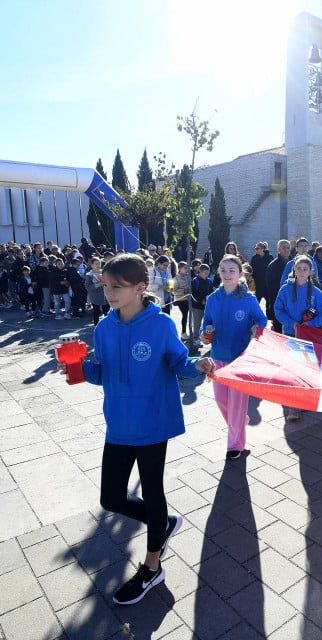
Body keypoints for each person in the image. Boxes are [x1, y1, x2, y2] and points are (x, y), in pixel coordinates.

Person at [57, 253, 213, 606]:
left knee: (153, 491)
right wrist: (77, 368)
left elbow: (179, 363)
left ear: (140, 288)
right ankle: (161, 522)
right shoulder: (103, 328)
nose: (109, 292)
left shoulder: (160, 326)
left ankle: (152, 567)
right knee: (110, 497)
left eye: (117, 286)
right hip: (119, 423)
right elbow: (101, 371)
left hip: (153, 422)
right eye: (106, 285)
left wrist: (199, 366)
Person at [200, 254, 267, 459]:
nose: (227, 274)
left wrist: (257, 328)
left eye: (232, 271)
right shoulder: (213, 299)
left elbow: (262, 320)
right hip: (218, 357)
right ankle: (239, 421)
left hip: (241, 359)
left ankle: (235, 445)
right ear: (218, 272)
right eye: (223, 270)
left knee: (237, 405)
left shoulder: (248, 298)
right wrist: (204, 335)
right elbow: (206, 325)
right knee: (222, 401)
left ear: (240, 274)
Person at [275, 255, 322, 421]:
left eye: (305, 269)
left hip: (309, 337)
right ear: (294, 270)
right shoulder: (285, 289)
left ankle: (305, 400)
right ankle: (293, 407)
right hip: (291, 334)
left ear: (311, 271)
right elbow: (278, 310)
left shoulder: (317, 293)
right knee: (292, 370)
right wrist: (292, 323)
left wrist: (310, 325)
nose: (302, 271)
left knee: (307, 369)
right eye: (299, 268)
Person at [265, 239, 291, 333]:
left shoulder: (294, 263)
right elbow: (271, 288)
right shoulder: (273, 266)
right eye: (284, 248)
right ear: (278, 249)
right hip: (279, 304)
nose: (286, 250)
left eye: (288, 247)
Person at [191, 264, 215, 346]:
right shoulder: (195, 281)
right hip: (197, 307)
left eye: (208, 274)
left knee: (207, 323)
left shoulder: (209, 281)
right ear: (200, 272)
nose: (206, 275)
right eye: (205, 273)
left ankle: (205, 337)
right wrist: (201, 301)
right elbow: (192, 294)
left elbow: (211, 292)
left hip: (207, 307)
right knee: (197, 323)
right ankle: (195, 339)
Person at [85, 257, 110, 326]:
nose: (98, 265)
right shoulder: (89, 275)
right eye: (96, 264)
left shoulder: (104, 272)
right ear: (92, 265)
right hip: (95, 294)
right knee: (96, 310)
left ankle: (108, 324)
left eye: (99, 263)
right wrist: (98, 284)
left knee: (107, 310)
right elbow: (87, 286)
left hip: (105, 294)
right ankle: (96, 325)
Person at [172, 261, 191, 340]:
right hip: (181, 299)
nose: (186, 270)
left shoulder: (188, 276)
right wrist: (185, 291)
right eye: (184, 268)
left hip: (188, 299)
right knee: (185, 315)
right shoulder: (176, 278)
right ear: (179, 269)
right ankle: (183, 332)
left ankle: (190, 331)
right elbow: (174, 290)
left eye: (187, 268)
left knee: (189, 315)